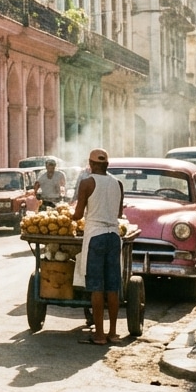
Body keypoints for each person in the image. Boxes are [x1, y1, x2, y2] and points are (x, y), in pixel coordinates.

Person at [72, 148, 124, 345]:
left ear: (91, 164)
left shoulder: (87, 182)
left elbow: (78, 214)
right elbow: (119, 213)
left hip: (96, 236)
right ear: (107, 165)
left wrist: (72, 216)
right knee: (112, 287)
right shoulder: (118, 184)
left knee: (96, 287)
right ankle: (112, 333)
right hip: (114, 236)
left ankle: (99, 335)